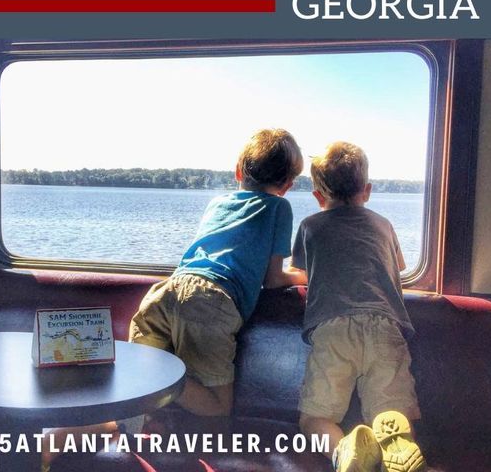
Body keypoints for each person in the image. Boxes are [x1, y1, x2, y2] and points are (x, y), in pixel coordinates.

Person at [41, 129, 305, 467]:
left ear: (239, 170)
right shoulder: (279, 209)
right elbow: (272, 278)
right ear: (287, 185)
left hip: (164, 294)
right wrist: (304, 276)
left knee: (133, 408)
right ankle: (165, 387)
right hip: (210, 301)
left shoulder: (218, 203)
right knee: (216, 405)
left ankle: (49, 445)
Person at [291, 142, 426, 472]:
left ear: (318, 197)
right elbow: (398, 270)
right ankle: (398, 446)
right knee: (392, 413)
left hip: (333, 329)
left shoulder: (310, 226)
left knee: (315, 418)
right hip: (385, 325)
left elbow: (301, 273)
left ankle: (344, 450)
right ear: (367, 190)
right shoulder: (384, 225)